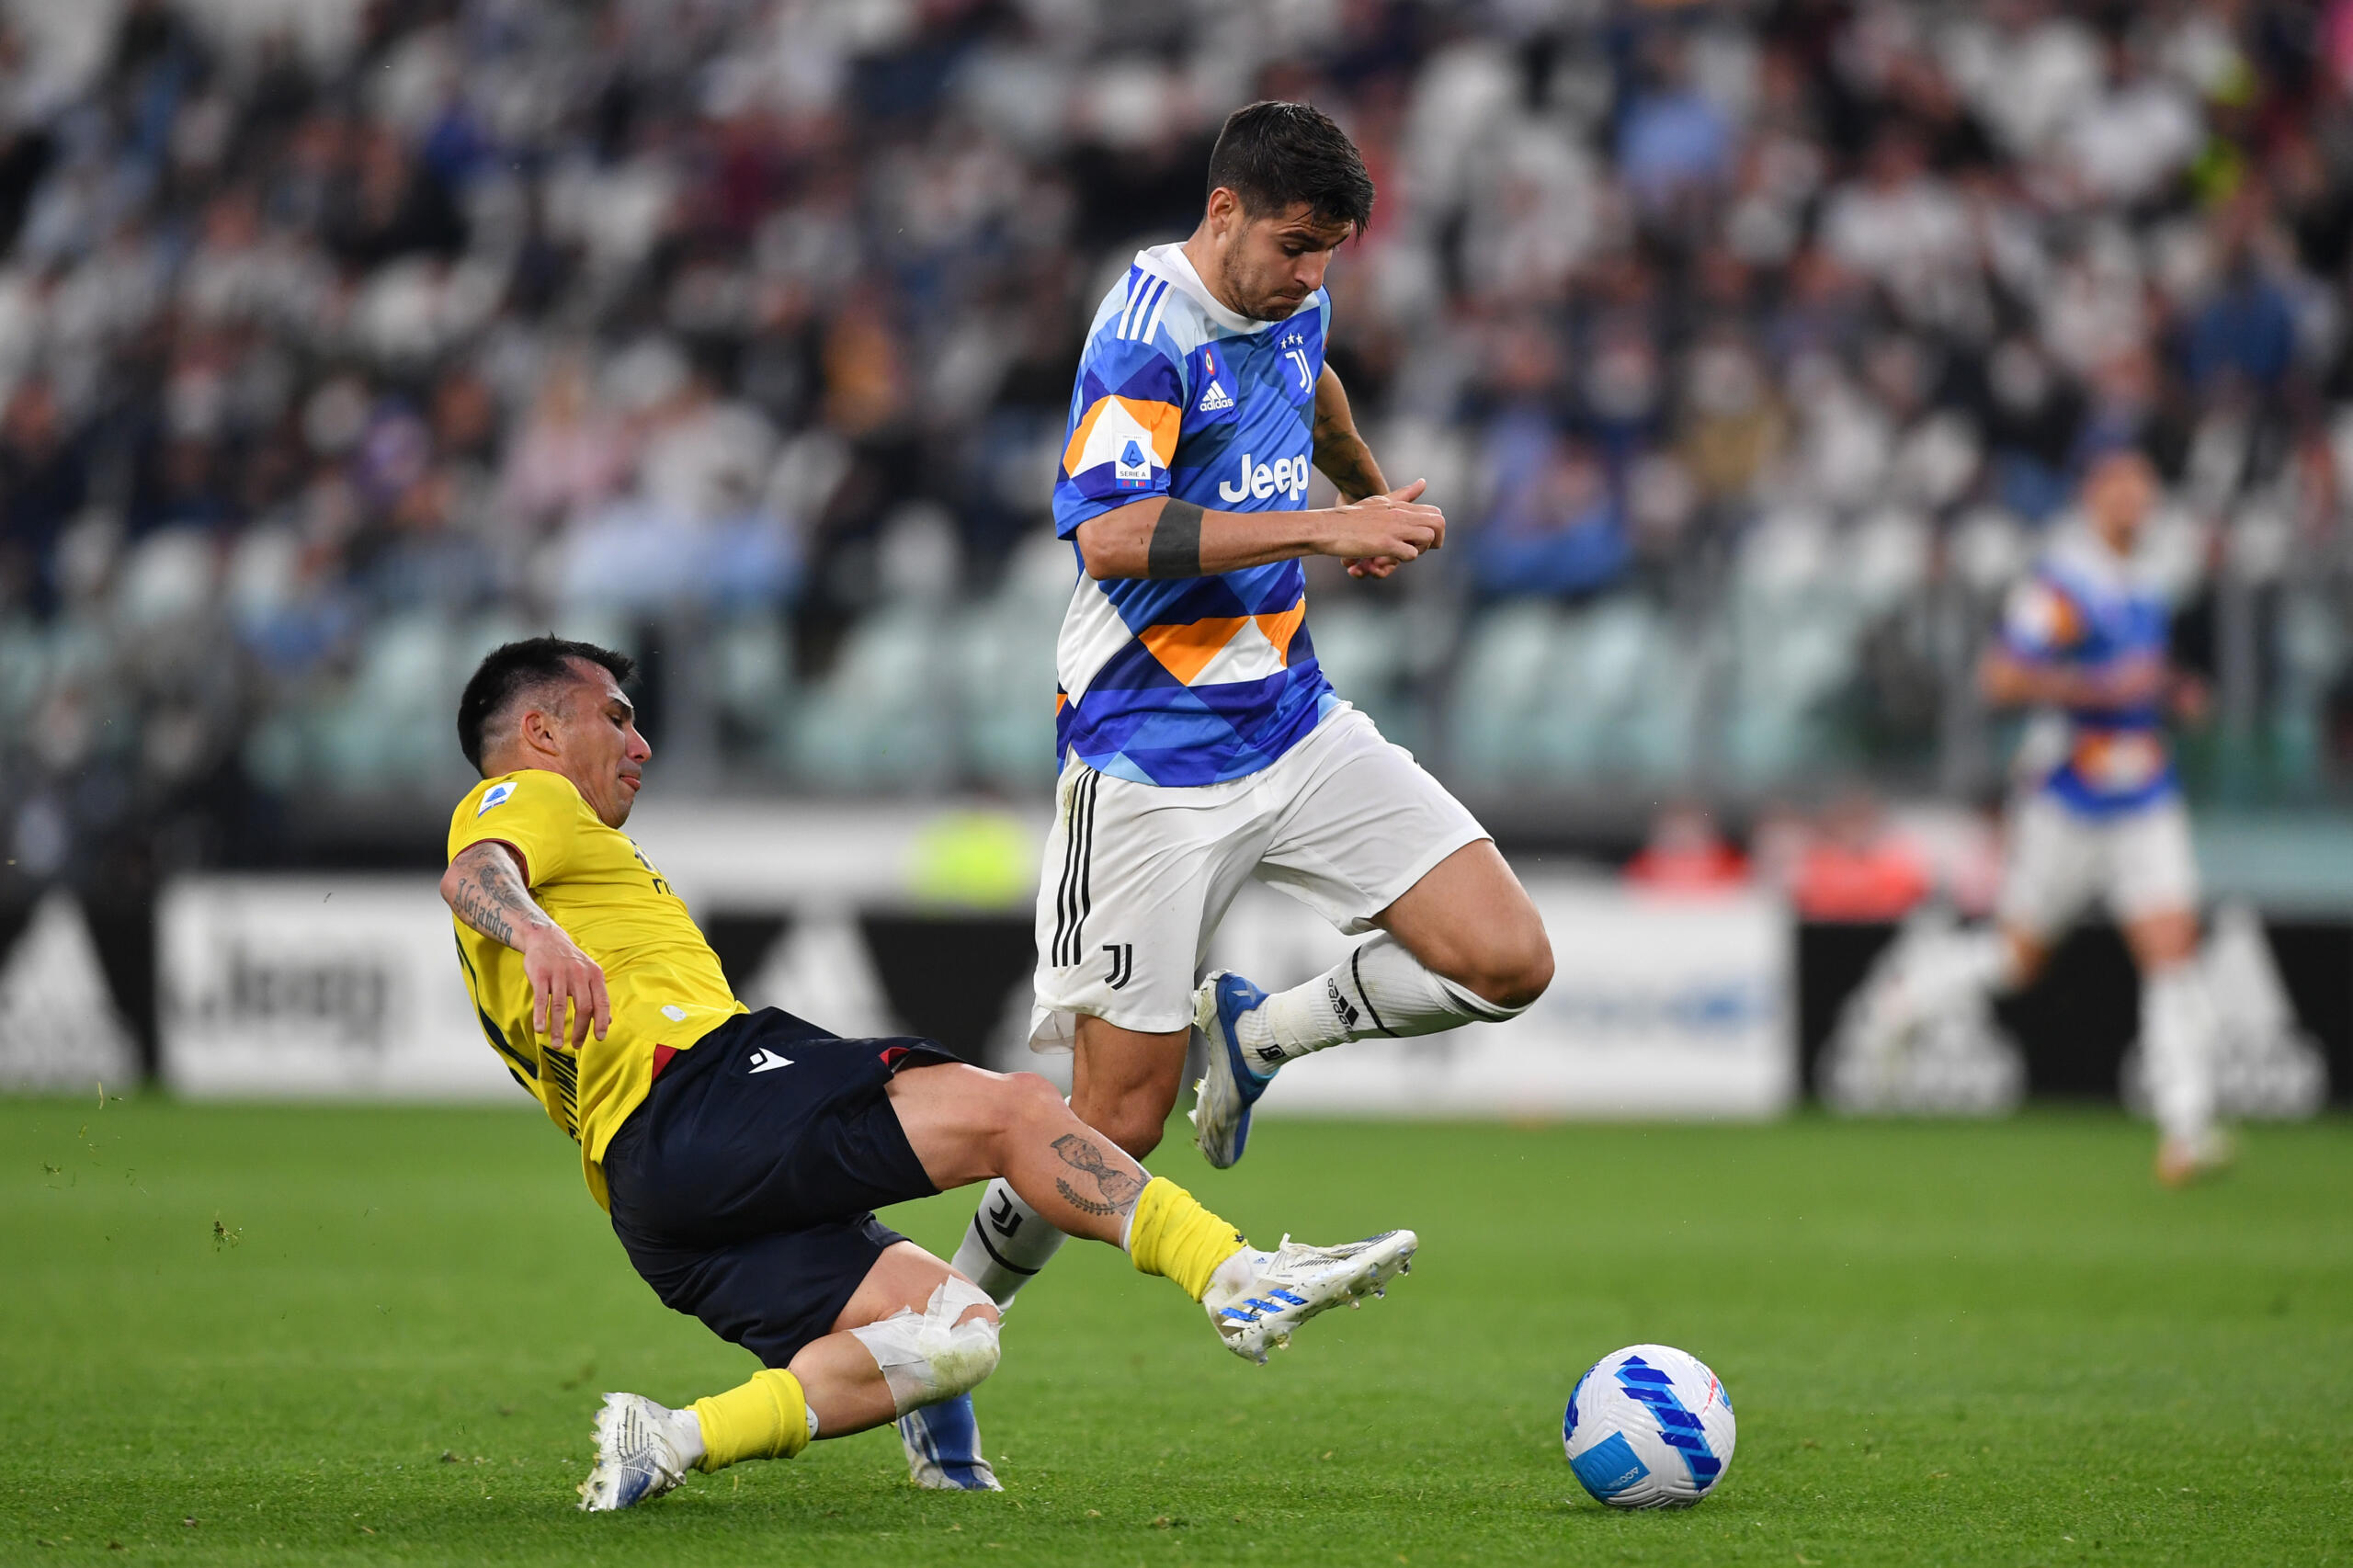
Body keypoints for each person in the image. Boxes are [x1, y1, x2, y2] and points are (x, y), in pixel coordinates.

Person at [901, 101, 1550, 1473]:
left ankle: (1259, 1036)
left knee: (1507, 958)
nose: (1314, 277)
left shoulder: (1292, 301)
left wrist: (1366, 488)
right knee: (1112, 1123)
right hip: (1148, 764)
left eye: (1332, 255)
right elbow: (1114, 532)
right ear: (1224, 215)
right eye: (1297, 247)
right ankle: (936, 1346)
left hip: (1296, 723)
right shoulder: (1146, 325)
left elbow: (1310, 383)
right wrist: (1330, 521)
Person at [439, 637, 1417, 1509]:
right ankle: (1237, 1274)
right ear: (538, 728)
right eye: (617, 716)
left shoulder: (580, 848)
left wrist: (543, 931)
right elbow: (474, 867)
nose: (640, 741)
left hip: (651, 1194)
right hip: (699, 1089)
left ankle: (670, 1437)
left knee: (956, 1330)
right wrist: (533, 930)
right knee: (1015, 1112)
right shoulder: (529, 797)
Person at [1842, 448, 2224, 1184]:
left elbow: (2136, 678)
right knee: (2019, 959)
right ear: (2093, 497)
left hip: (2144, 794)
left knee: (2172, 945)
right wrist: (2104, 686)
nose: (2133, 504)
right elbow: (2002, 676)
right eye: (2119, 490)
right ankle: (1908, 997)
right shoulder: (2062, 583)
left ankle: (2186, 1128)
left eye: (2142, 491)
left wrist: (2172, 693)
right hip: (2068, 797)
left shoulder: (2147, 579)